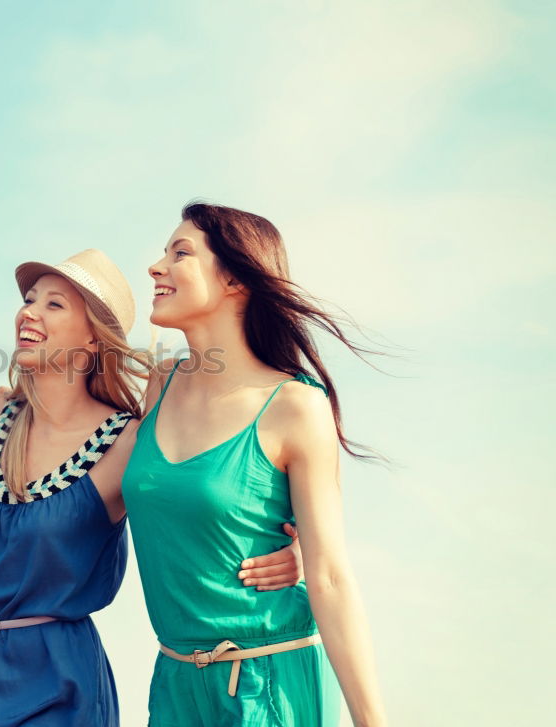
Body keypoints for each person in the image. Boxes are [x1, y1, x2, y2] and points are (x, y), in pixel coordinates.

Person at [0, 249, 305, 727]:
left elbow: (198, 516)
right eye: (29, 299)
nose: (29, 311)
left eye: (54, 304)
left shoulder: (127, 442)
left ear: (93, 336)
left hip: (57, 682)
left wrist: (301, 551)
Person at [121, 202, 388, 726]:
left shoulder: (296, 406)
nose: (155, 267)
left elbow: (330, 576)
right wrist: (10, 400)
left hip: (269, 680)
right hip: (175, 681)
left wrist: (372, 720)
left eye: (180, 253)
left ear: (235, 280)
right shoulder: (159, 383)